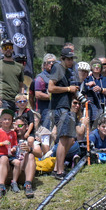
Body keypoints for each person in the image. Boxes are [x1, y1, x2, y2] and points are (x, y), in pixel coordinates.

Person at [47, 46, 79, 180]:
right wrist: (68, 89)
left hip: (64, 107)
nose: (71, 61)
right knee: (63, 139)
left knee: (70, 139)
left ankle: (56, 168)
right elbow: (50, 88)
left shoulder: (66, 71)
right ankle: (60, 172)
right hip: (59, 107)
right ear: (62, 59)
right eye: (68, 59)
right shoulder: (58, 67)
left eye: (72, 59)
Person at [0, 40, 26, 114]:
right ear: (1, 50)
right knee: (4, 120)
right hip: (2, 100)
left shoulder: (19, 66)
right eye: (5, 47)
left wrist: (21, 97)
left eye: (10, 47)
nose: (8, 49)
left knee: (18, 120)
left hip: (16, 101)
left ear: (13, 49)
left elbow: (21, 85)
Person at [33, 53, 55, 121]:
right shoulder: (40, 77)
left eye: (53, 62)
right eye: (49, 62)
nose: (51, 64)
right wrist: (52, 97)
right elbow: (37, 94)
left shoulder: (59, 76)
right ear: (45, 65)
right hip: (45, 110)